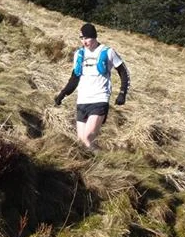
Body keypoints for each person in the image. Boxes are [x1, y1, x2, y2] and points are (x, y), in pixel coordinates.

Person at [54, 23, 130, 151]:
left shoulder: (108, 52)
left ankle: (100, 163)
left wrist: (122, 93)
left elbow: (124, 72)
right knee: (81, 141)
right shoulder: (78, 54)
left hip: (99, 99)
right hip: (82, 100)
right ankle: (100, 162)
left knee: (88, 137)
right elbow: (74, 78)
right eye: (82, 38)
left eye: (87, 38)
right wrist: (63, 94)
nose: (84, 41)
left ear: (94, 37)